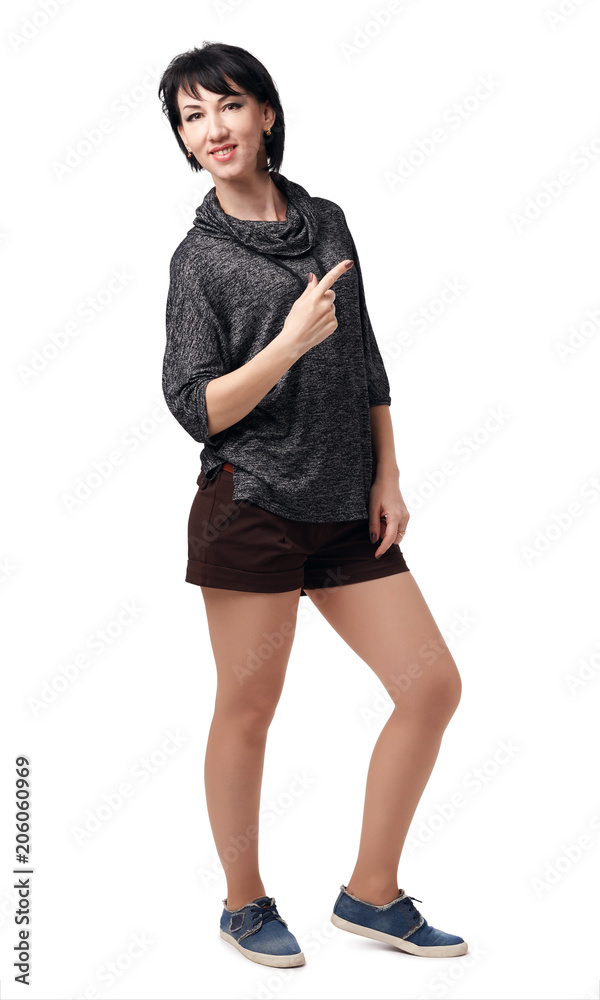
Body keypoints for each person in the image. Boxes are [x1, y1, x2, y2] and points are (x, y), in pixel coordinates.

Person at [158, 41, 467, 970]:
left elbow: (367, 355)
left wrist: (388, 475)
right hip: (250, 506)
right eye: (191, 116)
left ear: (267, 115)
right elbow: (193, 405)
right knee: (249, 710)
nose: (213, 130)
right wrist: (286, 345)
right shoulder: (200, 259)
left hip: (346, 502)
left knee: (431, 686)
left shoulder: (327, 219)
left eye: (228, 107)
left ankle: (372, 895)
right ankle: (243, 904)